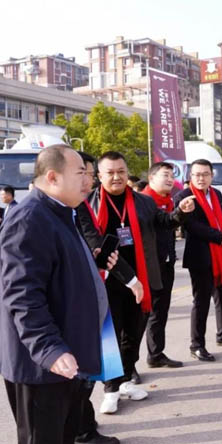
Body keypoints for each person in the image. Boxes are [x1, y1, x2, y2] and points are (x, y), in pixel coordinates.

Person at [0, 145, 118, 444]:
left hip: (66, 359)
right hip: (43, 365)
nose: (88, 181)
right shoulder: (30, 218)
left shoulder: (61, 212)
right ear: (52, 177)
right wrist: (49, 349)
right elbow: (22, 295)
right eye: (80, 173)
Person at [79, 151, 196, 414]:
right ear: (99, 176)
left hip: (141, 279)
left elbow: (164, 222)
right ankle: (111, 389)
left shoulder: (143, 201)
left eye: (121, 171)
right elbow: (93, 242)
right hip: (107, 282)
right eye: (110, 172)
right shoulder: (88, 204)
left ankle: (125, 380)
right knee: (111, 336)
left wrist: (181, 212)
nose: (116, 177)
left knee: (133, 334)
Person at [175, 159, 222, 362]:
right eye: (197, 174)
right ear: (190, 176)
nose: (201, 178)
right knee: (201, 302)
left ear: (212, 176)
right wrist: (219, 237)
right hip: (201, 257)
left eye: (205, 174)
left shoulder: (216, 194)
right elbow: (192, 226)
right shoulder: (184, 197)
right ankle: (197, 345)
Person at [74, 151, 121, 444]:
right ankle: (82, 432)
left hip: (93, 291)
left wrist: (101, 255)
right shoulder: (43, 213)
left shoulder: (79, 204)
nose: (89, 181)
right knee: (80, 373)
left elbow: (92, 239)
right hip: (76, 303)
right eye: (85, 174)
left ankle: (85, 428)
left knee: (91, 369)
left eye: (90, 175)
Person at [142, 162, 184, 368]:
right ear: (151, 178)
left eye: (172, 176)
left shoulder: (167, 201)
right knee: (141, 316)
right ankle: (127, 368)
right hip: (147, 266)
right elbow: (164, 223)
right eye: (165, 175)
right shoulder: (144, 201)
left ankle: (156, 354)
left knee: (160, 311)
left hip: (165, 263)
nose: (170, 180)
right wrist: (181, 212)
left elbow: (169, 224)